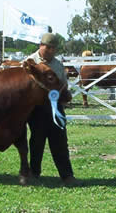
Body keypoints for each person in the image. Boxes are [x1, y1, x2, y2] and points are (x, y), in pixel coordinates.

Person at [26, 33, 79, 186]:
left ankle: (67, 175)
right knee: (37, 141)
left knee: (60, 141)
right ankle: (34, 173)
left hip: (55, 108)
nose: (50, 50)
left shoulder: (58, 64)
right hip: (36, 109)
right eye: (47, 47)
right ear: (40, 45)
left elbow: (63, 83)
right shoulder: (30, 62)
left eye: (53, 48)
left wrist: (62, 92)